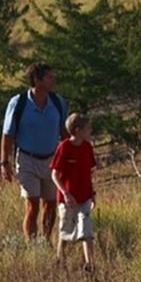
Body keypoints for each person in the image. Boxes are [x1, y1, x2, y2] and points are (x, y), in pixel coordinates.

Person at [0, 62, 67, 244]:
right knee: (32, 205)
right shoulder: (18, 103)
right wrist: (4, 163)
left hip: (52, 160)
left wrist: (70, 158)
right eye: (49, 77)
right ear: (37, 80)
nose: (53, 80)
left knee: (50, 204)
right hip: (27, 160)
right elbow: (8, 134)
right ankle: (31, 245)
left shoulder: (57, 102)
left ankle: (45, 241)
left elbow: (63, 131)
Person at [49, 113, 96, 272]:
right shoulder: (64, 147)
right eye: (87, 128)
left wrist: (92, 193)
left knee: (86, 230)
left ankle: (90, 265)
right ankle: (60, 261)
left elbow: (89, 173)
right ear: (77, 131)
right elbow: (54, 175)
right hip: (67, 199)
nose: (90, 131)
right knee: (66, 230)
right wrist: (65, 193)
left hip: (84, 197)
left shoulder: (87, 148)